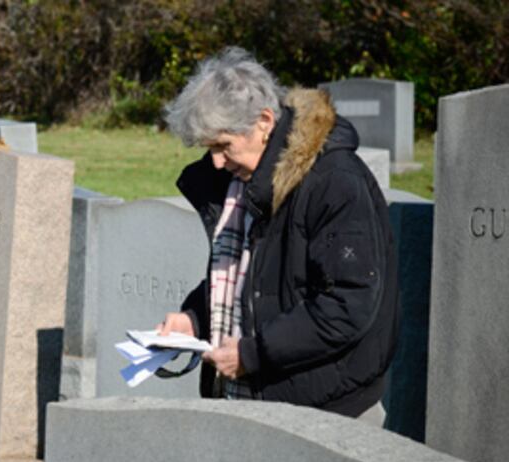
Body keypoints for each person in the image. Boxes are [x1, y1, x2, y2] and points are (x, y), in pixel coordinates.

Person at [156, 47, 399, 424]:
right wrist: (194, 318)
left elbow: (348, 304)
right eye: (210, 149)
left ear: (265, 121)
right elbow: (251, 277)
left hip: (324, 409)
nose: (217, 161)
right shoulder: (240, 179)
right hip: (251, 400)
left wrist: (252, 355)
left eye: (223, 145)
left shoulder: (334, 180)